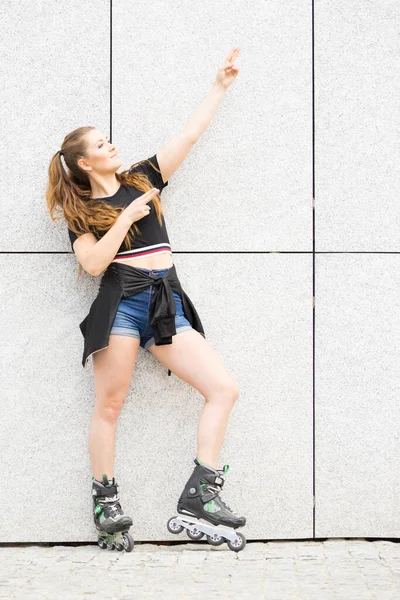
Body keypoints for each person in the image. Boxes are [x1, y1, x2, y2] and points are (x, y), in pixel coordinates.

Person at [44, 48, 246, 550]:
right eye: (100, 144)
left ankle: (201, 491)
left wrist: (218, 86)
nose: (110, 147)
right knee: (109, 405)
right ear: (84, 163)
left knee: (223, 388)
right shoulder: (84, 210)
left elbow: (187, 137)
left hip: (164, 302)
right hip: (120, 305)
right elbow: (92, 265)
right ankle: (106, 500)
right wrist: (125, 219)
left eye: (109, 141)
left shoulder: (141, 177)